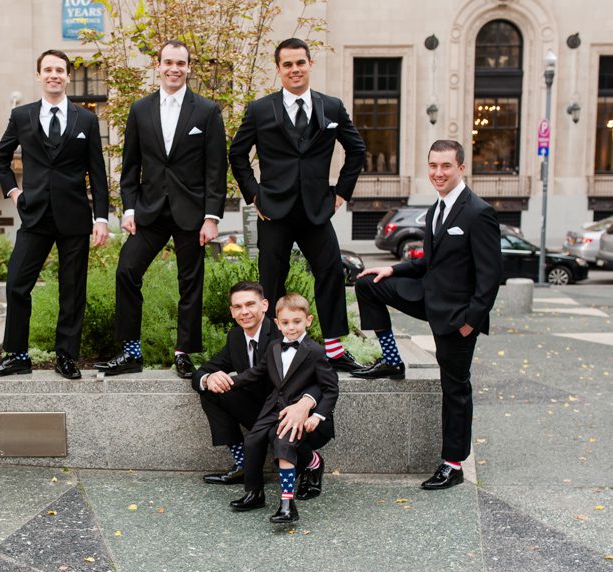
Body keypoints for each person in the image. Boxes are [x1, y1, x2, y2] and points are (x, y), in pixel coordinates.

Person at [351, 139, 503, 490]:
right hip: (428, 297)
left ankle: (453, 464)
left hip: (457, 317)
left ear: (461, 168)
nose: (438, 173)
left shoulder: (478, 212)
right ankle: (391, 359)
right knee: (368, 284)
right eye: (433, 165)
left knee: (455, 389)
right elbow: (432, 262)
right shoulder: (436, 209)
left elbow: (490, 276)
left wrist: (470, 323)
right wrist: (396, 270)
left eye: (446, 166)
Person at [228, 37, 366, 373]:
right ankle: (272, 349)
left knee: (332, 272)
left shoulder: (330, 107)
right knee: (271, 281)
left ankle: (333, 349)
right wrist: (254, 195)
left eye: (300, 63)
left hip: (317, 210)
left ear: (310, 65)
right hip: (273, 210)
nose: (294, 69)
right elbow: (237, 154)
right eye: (287, 64)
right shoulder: (260, 109)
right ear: (278, 70)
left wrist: (341, 193)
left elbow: (357, 149)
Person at [93, 39, 227, 379]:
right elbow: (130, 166)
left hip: (192, 214)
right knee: (126, 270)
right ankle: (131, 352)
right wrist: (128, 209)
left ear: (189, 67)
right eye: (169, 62)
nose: (174, 69)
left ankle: (184, 353)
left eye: (181, 63)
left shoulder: (207, 111)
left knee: (190, 283)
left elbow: (216, 169)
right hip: (149, 211)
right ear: (158, 64)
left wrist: (212, 217)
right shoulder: (140, 109)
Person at [0, 49, 109, 380]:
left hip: (75, 218)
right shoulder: (22, 116)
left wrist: (101, 218)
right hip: (34, 215)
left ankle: (66, 356)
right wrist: (13, 191)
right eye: (48, 69)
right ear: (39, 76)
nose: (54, 74)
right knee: (17, 285)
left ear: (68, 76)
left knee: (72, 289)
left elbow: (97, 173)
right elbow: (1, 157)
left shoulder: (87, 119)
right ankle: (18, 356)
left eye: (60, 70)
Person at [191, 281, 325, 501]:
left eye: (250, 304)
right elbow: (205, 370)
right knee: (211, 389)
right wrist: (208, 378)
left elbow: (319, 376)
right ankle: (243, 464)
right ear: (232, 311)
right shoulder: (235, 337)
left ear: (264, 305)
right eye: (238, 306)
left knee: (277, 431)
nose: (245, 311)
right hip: (263, 409)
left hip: (296, 410)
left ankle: (312, 463)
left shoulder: (284, 330)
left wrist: (305, 403)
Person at [212, 293, 338, 524]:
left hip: (297, 413)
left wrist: (317, 416)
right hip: (272, 409)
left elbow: (330, 388)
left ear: (308, 320)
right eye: (286, 323)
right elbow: (256, 373)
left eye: (297, 322)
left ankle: (287, 505)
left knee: (283, 444)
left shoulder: (316, 352)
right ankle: (254, 493)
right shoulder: (273, 347)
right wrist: (230, 381)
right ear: (278, 323)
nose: (291, 328)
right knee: (252, 441)